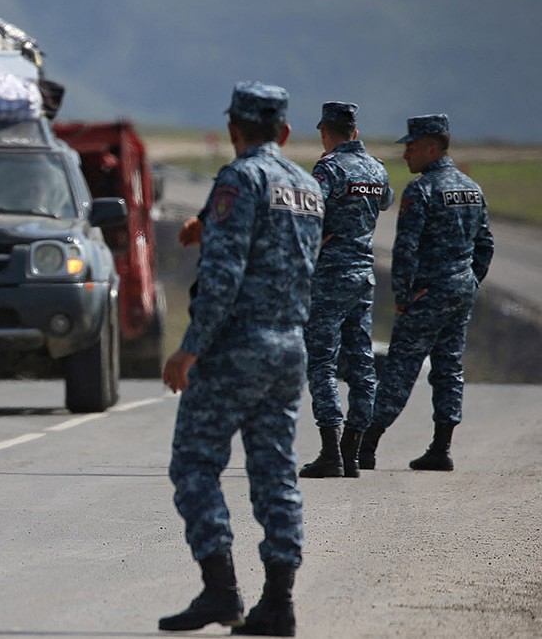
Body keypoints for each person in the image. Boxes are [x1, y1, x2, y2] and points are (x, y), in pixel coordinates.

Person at [159, 81, 322, 636]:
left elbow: (225, 279)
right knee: (276, 471)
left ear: (233, 129)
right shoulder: (306, 186)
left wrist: (189, 349)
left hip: (237, 347)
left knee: (195, 464)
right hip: (289, 345)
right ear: (284, 132)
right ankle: (279, 602)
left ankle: (221, 590)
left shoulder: (239, 178)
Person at [359, 114, 494, 472]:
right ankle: (441, 447)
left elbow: (405, 251)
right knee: (449, 367)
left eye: (412, 147)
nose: (406, 155)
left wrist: (403, 297)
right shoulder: (472, 188)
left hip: (427, 293)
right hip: (460, 290)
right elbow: (485, 245)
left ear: (432, 147)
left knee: (401, 367)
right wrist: (468, 279)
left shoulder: (422, 191)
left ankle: (366, 444)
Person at [299, 102, 393, 480]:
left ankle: (329, 451)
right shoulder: (376, 167)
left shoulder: (329, 168)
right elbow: (384, 201)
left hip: (331, 275)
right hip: (363, 276)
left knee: (321, 360)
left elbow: (309, 212)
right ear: (355, 131)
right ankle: (351, 451)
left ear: (325, 131)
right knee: (361, 361)